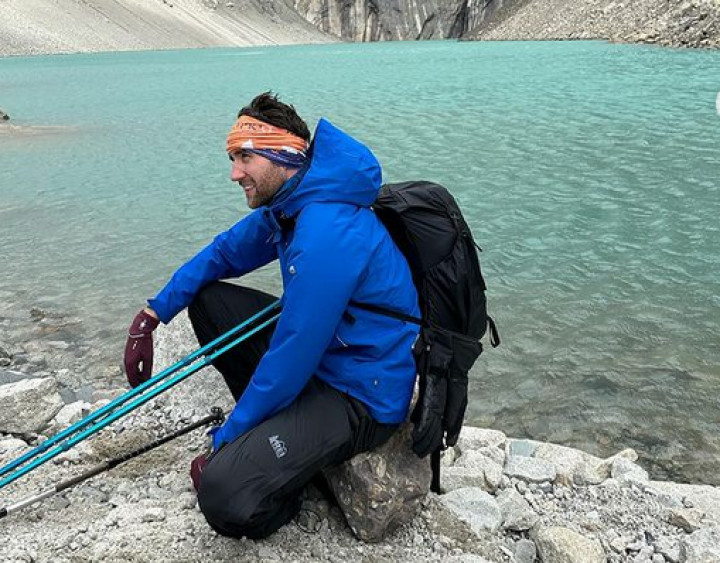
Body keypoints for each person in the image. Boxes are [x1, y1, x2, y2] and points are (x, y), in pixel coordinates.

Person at [123, 92, 420, 539]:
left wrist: (228, 438)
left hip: (360, 392)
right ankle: (275, 443)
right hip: (324, 360)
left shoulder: (325, 231)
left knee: (223, 496)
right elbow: (224, 252)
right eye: (232, 158)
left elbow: (293, 355)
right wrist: (152, 314)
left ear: (282, 154)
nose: (234, 173)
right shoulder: (290, 205)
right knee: (207, 299)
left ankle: (285, 485)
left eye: (245, 157)